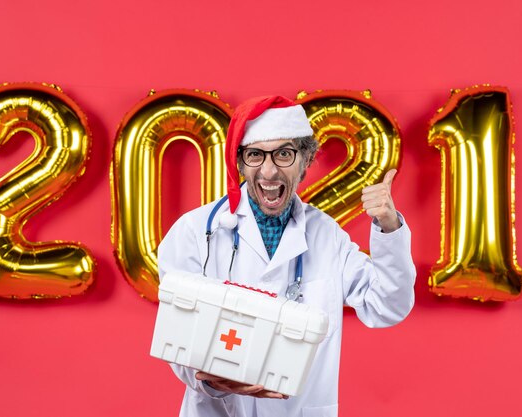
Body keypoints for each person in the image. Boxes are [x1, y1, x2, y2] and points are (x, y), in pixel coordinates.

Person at [157, 95, 416, 417]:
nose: (269, 171)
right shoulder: (196, 231)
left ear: (306, 161)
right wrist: (212, 381)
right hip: (218, 409)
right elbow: (178, 333)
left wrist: (388, 226)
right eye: (255, 155)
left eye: (284, 154)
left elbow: (386, 306)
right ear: (239, 162)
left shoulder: (326, 234)